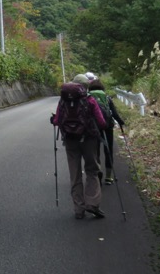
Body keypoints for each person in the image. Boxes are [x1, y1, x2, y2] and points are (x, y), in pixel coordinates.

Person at [50, 73, 108, 219]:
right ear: (85, 86)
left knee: (74, 174)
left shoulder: (63, 101)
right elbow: (101, 122)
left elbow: (57, 120)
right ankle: (92, 204)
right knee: (92, 171)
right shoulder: (90, 100)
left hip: (70, 140)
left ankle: (78, 209)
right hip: (88, 139)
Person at [88, 78, 126, 184]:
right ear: (102, 87)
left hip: (93, 127)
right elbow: (114, 113)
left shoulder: (88, 97)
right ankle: (109, 177)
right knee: (108, 150)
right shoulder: (107, 97)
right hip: (108, 126)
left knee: (95, 151)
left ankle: (98, 172)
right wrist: (121, 122)